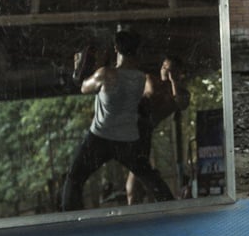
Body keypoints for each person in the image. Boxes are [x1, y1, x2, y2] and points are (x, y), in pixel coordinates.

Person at [61, 29, 175, 211]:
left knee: (74, 178)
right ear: (136, 50)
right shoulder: (140, 78)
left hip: (100, 137)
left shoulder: (105, 74)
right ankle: (173, 208)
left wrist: (78, 68)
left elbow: (83, 87)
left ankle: (69, 219)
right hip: (128, 139)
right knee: (149, 177)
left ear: (116, 48)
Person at [126, 55, 190, 204]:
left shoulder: (181, 93)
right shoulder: (149, 80)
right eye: (164, 67)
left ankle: (138, 202)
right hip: (131, 126)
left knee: (139, 170)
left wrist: (174, 81)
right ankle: (135, 201)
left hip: (144, 132)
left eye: (171, 69)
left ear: (179, 72)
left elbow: (181, 104)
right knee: (138, 170)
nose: (166, 71)